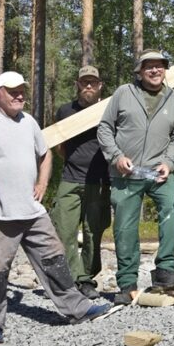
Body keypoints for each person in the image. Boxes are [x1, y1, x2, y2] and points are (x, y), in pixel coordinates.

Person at [0, 71, 109, 345]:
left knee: (55, 258)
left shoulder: (28, 121)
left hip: (32, 211)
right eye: (12, 91)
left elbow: (46, 153)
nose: (19, 95)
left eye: (21, 91)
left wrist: (42, 182)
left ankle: (78, 308)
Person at [97, 50, 174, 305]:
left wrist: (169, 163)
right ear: (140, 70)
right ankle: (127, 284)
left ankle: (165, 272)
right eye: (149, 67)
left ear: (165, 70)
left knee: (171, 211)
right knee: (125, 227)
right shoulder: (124, 93)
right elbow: (104, 128)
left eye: (160, 66)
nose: (155, 71)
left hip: (159, 172)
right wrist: (116, 156)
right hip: (127, 172)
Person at [49, 65, 111, 299]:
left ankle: (87, 275)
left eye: (92, 82)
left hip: (100, 181)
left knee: (94, 231)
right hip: (70, 179)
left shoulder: (108, 109)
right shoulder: (65, 111)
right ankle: (76, 278)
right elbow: (58, 145)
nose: (88, 86)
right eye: (84, 82)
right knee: (64, 231)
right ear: (77, 84)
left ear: (99, 85)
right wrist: (75, 162)